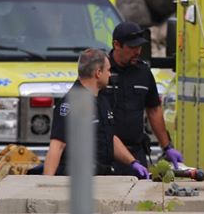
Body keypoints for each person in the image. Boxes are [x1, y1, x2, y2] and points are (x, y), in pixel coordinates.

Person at [36, 49, 145, 178]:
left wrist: (132, 162)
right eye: (108, 70)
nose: (110, 74)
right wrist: (47, 183)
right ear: (98, 73)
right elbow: (57, 146)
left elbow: (109, 137)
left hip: (102, 177)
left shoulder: (102, 100)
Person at [103, 22, 183, 176]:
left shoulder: (143, 72)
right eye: (132, 47)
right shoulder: (102, 71)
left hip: (136, 153)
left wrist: (167, 146)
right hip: (106, 155)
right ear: (117, 45)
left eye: (139, 47)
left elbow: (154, 109)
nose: (137, 51)